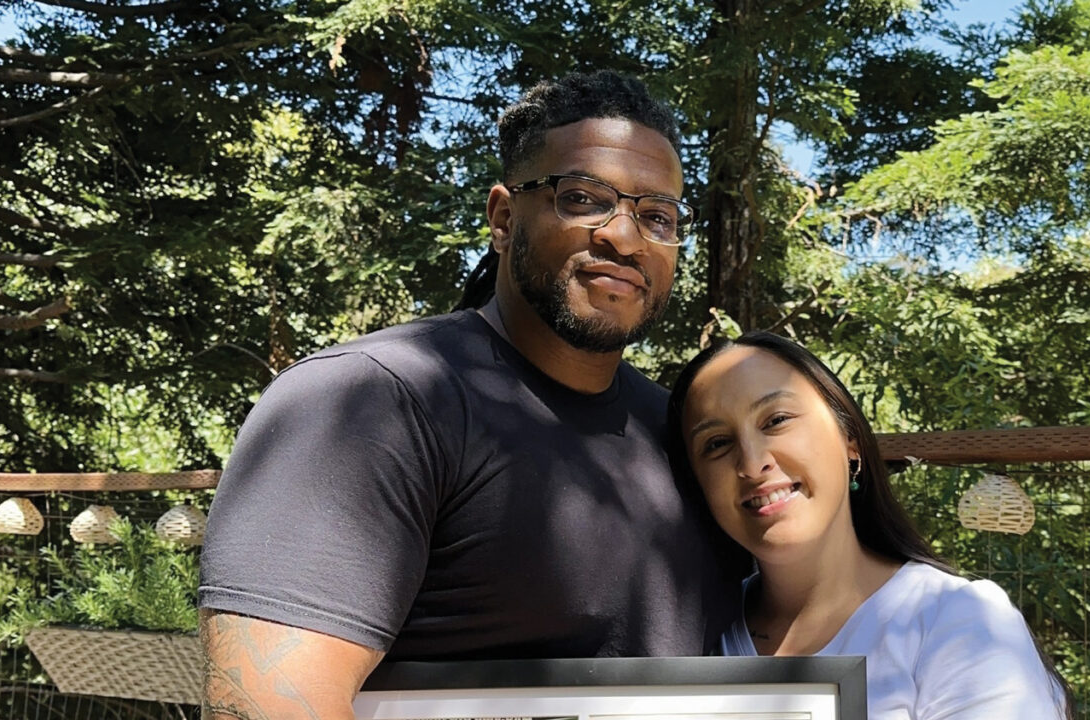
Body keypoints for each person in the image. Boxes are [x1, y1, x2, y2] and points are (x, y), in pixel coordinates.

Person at [198, 70, 743, 720]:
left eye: (657, 216)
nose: (623, 238)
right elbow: (262, 706)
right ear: (504, 217)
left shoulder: (683, 435)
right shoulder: (370, 401)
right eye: (583, 198)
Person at [667, 331, 1072, 720]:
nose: (753, 464)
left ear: (851, 441)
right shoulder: (692, 633)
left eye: (776, 420)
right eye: (716, 444)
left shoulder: (955, 620)